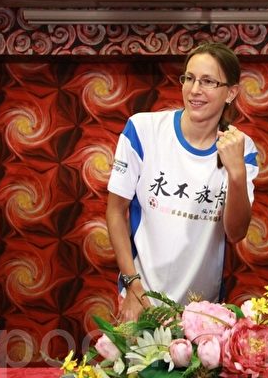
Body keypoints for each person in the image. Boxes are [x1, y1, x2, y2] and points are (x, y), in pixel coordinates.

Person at [107, 42, 259, 322]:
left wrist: (236, 173)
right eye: (189, 78)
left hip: (202, 311)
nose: (194, 90)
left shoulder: (242, 147)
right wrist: (133, 286)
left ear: (231, 92)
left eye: (208, 81)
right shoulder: (143, 130)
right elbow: (115, 211)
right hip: (142, 297)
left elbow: (236, 232)